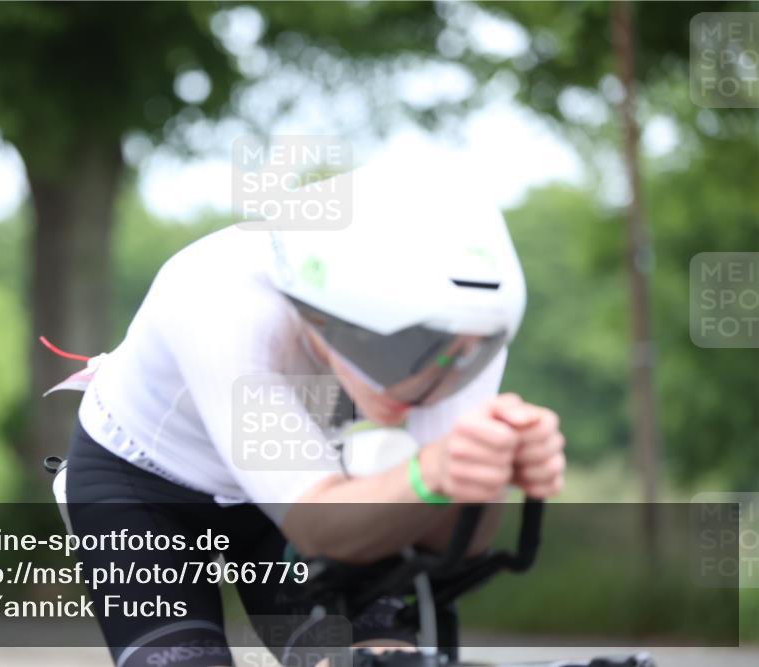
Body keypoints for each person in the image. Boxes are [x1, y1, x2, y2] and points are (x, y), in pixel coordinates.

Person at [64, 160, 566, 667]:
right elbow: (316, 523)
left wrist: (484, 473)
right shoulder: (219, 300)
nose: (426, 385)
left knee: (376, 658)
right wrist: (432, 471)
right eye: (402, 352)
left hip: (315, 474)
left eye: (464, 359)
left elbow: (444, 544)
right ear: (322, 315)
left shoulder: (462, 328)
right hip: (144, 484)